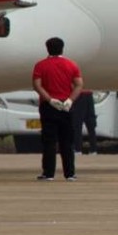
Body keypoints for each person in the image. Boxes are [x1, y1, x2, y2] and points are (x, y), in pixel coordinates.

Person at [32, 36, 83, 180]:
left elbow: (37, 85)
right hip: (66, 106)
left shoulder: (40, 65)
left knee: (49, 141)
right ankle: (70, 173)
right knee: (67, 141)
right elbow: (79, 84)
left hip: (48, 106)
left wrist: (49, 99)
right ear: (62, 48)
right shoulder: (71, 64)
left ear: (47, 48)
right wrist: (70, 100)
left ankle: (48, 173)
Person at [72, 90, 98, 156]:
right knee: (91, 124)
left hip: (79, 94)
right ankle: (93, 149)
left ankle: (77, 149)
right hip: (89, 94)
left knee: (77, 124)